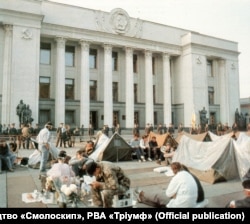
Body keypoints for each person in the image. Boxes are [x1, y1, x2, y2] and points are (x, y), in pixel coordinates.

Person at [134, 162, 204, 208]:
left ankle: (142, 194)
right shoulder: (190, 176)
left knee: (158, 196)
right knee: (160, 200)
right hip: (197, 201)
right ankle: (142, 198)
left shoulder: (180, 177)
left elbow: (172, 195)